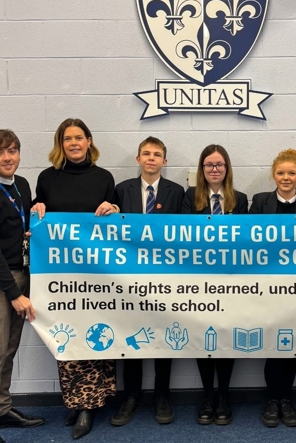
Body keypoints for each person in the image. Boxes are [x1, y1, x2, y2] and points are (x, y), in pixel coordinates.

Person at [32, 118, 119, 440]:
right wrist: (36, 207)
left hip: (98, 273)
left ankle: (90, 405)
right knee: (66, 334)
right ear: (60, 143)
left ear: (89, 141)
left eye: (78, 138)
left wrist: (113, 209)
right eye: (67, 138)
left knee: (98, 332)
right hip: (62, 276)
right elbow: (39, 217)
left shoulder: (103, 177)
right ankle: (75, 400)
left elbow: (116, 222)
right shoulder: (47, 178)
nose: (73, 143)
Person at [0, 130, 45, 443]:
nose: (8, 158)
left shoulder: (22, 184)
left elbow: (18, 228)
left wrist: (34, 221)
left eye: (13, 151)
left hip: (19, 274)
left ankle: (3, 408)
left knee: (9, 349)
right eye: (0, 152)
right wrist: (14, 295)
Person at [111, 137, 184, 426]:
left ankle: (162, 395)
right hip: (130, 277)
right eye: (146, 153)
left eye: (157, 155)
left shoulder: (177, 192)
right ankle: (131, 396)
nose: (151, 158)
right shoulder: (121, 189)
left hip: (165, 277)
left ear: (164, 161)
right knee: (132, 336)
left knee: (163, 335)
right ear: (138, 158)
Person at [250, 148, 296, 428]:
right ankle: (272, 399)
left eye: (291, 173)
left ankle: (286, 399)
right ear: (273, 175)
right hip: (266, 285)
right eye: (281, 173)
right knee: (272, 343)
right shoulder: (259, 202)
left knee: (291, 344)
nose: (286, 177)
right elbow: (249, 241)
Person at [181, 144, 248, 425]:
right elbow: (181, 235)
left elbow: (247, 240)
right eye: (209, 165)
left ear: (227, 168)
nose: (214, 169)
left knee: (226, 339)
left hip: (231, 282)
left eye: (219, 164)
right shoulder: (189, 197)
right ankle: (208, 396)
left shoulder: (241, 199)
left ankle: (224, 395)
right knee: (203, 338)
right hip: (198, 282)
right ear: (201, 169)